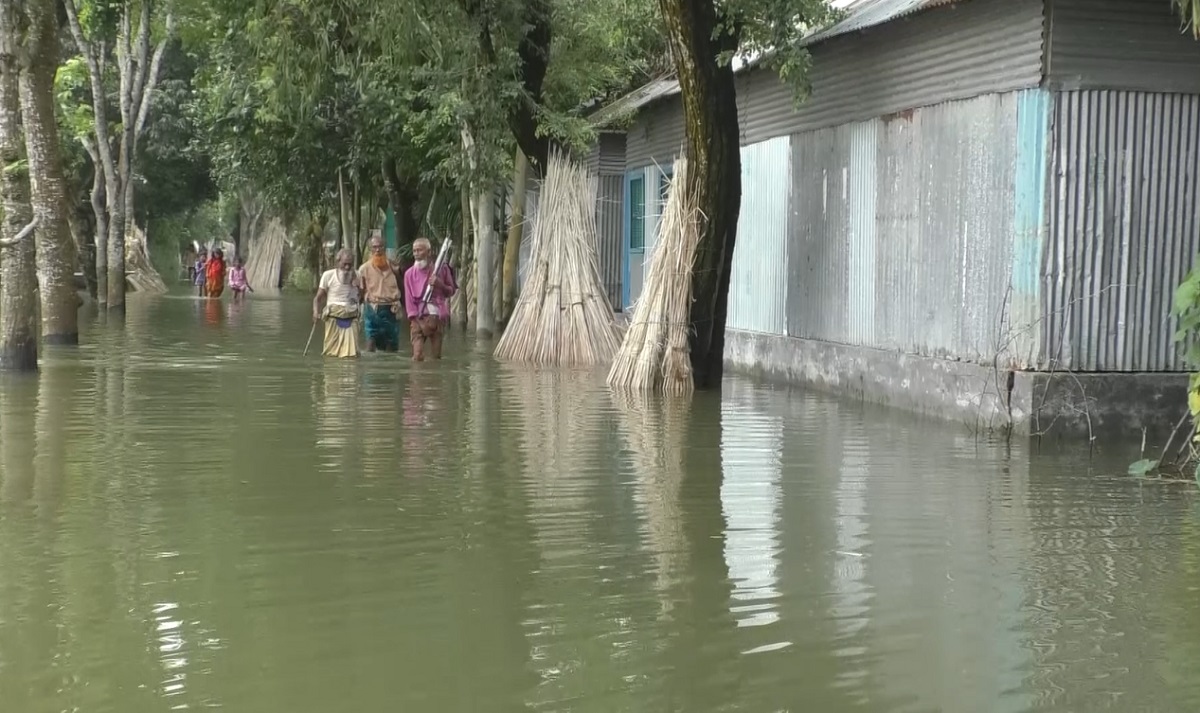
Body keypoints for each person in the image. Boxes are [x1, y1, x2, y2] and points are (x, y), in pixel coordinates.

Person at [403, 237, 457, 361]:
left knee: (436, 358)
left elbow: (451, 291)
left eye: (419, 250)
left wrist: (440, 284)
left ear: (429, 252)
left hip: (437, 318)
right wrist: (420, 323)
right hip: (418, 319)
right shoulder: (409, 274)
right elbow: (409, 303)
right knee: (417, 356)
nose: (416, 254)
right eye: (414, 251)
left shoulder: (442, 269)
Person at [358, 231, 403, 352]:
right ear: (370, 250)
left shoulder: (394, 267)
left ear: (385, 248)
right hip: (372, 308)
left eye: (380, 246)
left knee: (392, 344)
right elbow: (361, 291)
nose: (378, 250)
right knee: (370, 341)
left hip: (392, 308)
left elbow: (402, 287)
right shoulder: (363, 269)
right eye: (374, 247)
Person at [313, 248, 362, 358]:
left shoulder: (357, 275)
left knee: (353, 354)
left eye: (350, 264)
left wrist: (358, 287)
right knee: (331, 353)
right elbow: (317, 298)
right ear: (337, 262)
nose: (347, 267)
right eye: (344, 264)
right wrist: (315, 312)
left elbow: (361, 299)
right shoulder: (328, 275)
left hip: (351, 316)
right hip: (333, 318)